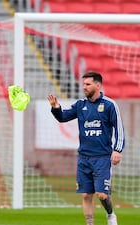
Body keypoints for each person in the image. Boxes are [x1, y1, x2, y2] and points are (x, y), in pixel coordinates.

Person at [47, 71, 125, 225]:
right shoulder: (80, 105)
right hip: (84, 157)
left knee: (102, 194)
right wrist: (56, 108)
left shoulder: (109, 105)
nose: (84, 87)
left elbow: (119, 128)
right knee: (86, 195)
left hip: (102, 157)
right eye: (83, 84)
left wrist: (118, 149)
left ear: (98, 85)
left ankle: (110, 215)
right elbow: (63, 117)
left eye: (88, 84)